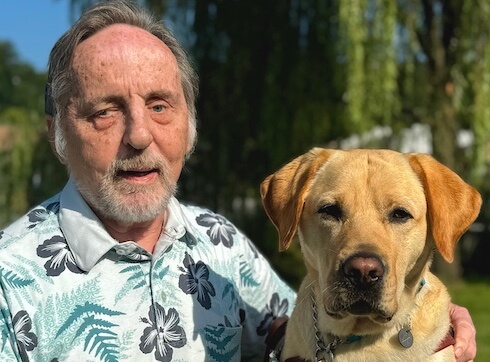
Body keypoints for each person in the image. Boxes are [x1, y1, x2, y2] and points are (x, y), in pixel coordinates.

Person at [0, 1, 477, 361]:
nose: (140, 135)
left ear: (190, 126)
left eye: (161, 106)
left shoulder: (219, 241)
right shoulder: (9, 282)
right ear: (56, 133)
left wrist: (433, 314)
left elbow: (314, 320)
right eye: (104, 111)